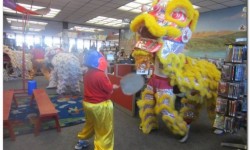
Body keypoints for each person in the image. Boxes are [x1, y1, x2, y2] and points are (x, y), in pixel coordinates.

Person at [75, 50, 119, 150]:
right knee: (104, 129)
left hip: (87, 104)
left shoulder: (87, 73)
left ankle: (81, 141)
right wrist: (114, 86)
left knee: (90, 124)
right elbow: (108, 88)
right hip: (99, 106)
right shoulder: (100, 75)